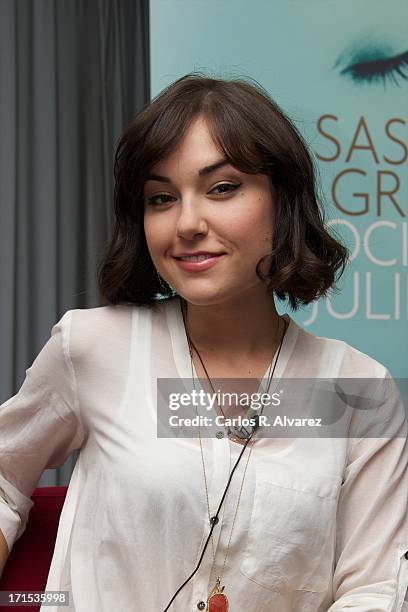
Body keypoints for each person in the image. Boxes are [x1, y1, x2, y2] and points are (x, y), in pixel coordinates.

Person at [0, 73, 407, 612]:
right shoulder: (91, 347)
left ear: (281, 199)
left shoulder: (358, 391)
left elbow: (375, 588)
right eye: (161, 197)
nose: (187, 223)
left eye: (222, 188)